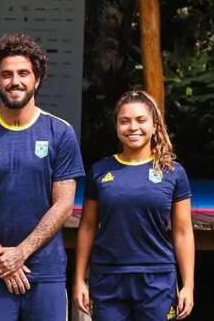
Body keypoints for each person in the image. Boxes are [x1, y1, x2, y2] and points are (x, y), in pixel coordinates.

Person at [0, 33, 84, 321]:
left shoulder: (60, 133)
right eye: (6, 74)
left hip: (46, 273)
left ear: (37, 79)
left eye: (23, 73)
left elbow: (64, 205)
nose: (15, 81)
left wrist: (20, 254)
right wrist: (2, 259)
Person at [73, 90, 195, 320]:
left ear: (155, 125)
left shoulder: (173, 172)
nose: (133, 127)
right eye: (124, 121)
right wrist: (79, 279)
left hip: (157, 279)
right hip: (108, 278)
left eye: (141, 120)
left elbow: (183, 231)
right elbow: (88, 226)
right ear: (117, 126)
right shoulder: (100, 171)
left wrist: (188, 284)